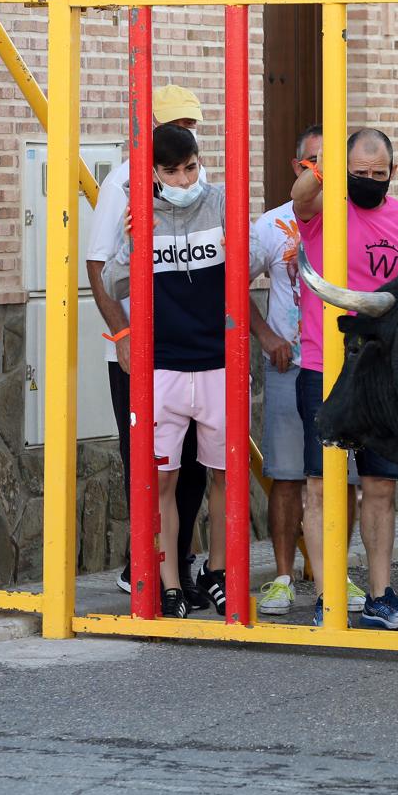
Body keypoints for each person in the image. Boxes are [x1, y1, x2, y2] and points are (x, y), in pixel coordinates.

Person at [101, 123, 265, 617]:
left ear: (200, 162)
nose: (182, 178)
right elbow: (113, 282)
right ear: (154, 172)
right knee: (163, 480)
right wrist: (134, 242)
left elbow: (252, 264)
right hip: (164, 366)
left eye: (189, 168)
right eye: (171, 172)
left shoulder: (219, 202)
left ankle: (218, 572)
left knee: (225, 474)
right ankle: (169, 581)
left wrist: (241, 241)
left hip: (219, 360)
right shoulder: (139, 211)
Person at [293, 128, 398, 630]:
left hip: (383, 369)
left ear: (392, 172)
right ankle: (328, 596)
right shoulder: (325, 206)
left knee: (381, 486)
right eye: (360, 172)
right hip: (324, 365)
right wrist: (322, 171)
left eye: (379, 173)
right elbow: (299, 199)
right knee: (322, 484)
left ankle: (380, 594)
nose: (370, 180)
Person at [87, 84, 211, 608]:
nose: (187, 132)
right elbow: (98, 264)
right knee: (147, 463)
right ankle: (145, 567)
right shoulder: (125, 182)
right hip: (144, 349)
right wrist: (122, 334)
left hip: (192, 349)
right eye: (177, 123)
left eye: (193, 124)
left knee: (193, 467)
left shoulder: (199, 180)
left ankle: (176, 565)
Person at [250, 126, 362, 617]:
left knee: (346, 476)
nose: (322, 173)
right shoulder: (270, 226)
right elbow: (235, 285)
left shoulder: (352, 219)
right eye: (314, 163)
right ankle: (281, 576)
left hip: (341, 368)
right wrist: (267, 336)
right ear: (298, 169)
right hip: (289, 365)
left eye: (330, 164)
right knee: (288, 475)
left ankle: (334, 572)